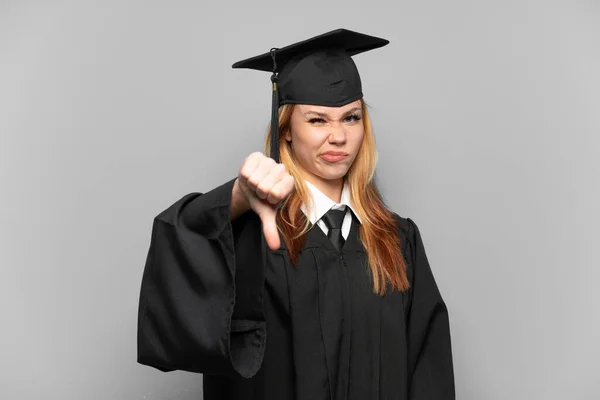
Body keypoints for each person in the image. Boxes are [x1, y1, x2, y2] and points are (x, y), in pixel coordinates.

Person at [136, 28, 455, 400]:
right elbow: (180, 244)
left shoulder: (398, 240)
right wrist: (237, 197)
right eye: (317, 120)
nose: (338, 136)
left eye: (351, 118)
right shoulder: (249, 236)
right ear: (287, 130)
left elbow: (428, 370)